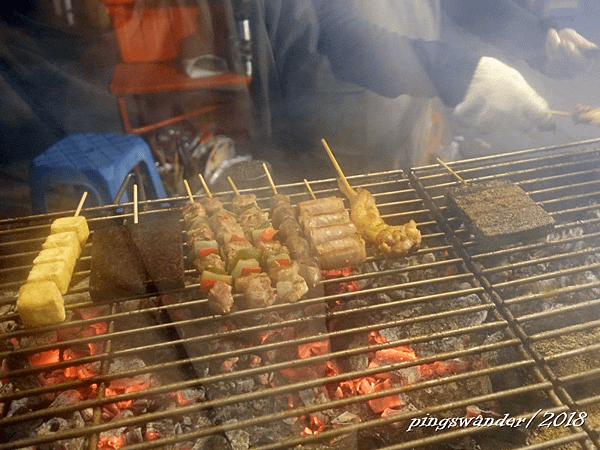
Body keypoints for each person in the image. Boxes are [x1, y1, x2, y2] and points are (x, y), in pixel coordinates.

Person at [246, 0, 597, 173]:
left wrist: (536, 37)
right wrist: (459, 73)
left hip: (408, 132)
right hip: (328, 151)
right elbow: (332, 31)